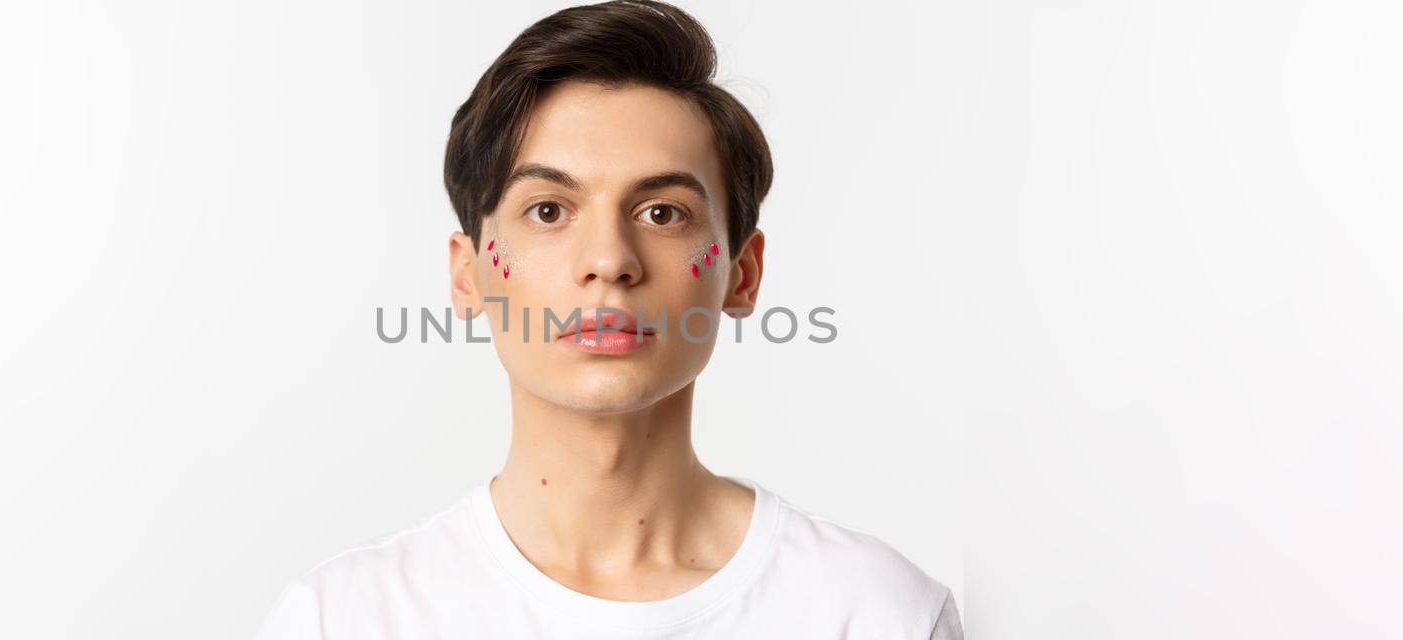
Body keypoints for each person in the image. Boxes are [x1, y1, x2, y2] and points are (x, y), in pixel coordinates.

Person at [253, 1, 962, 637]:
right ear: (468, 275)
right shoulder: (341, 618)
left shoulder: (876, 612)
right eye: (549, 211)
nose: (609, 261)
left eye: (663, 213)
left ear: (741, 273)